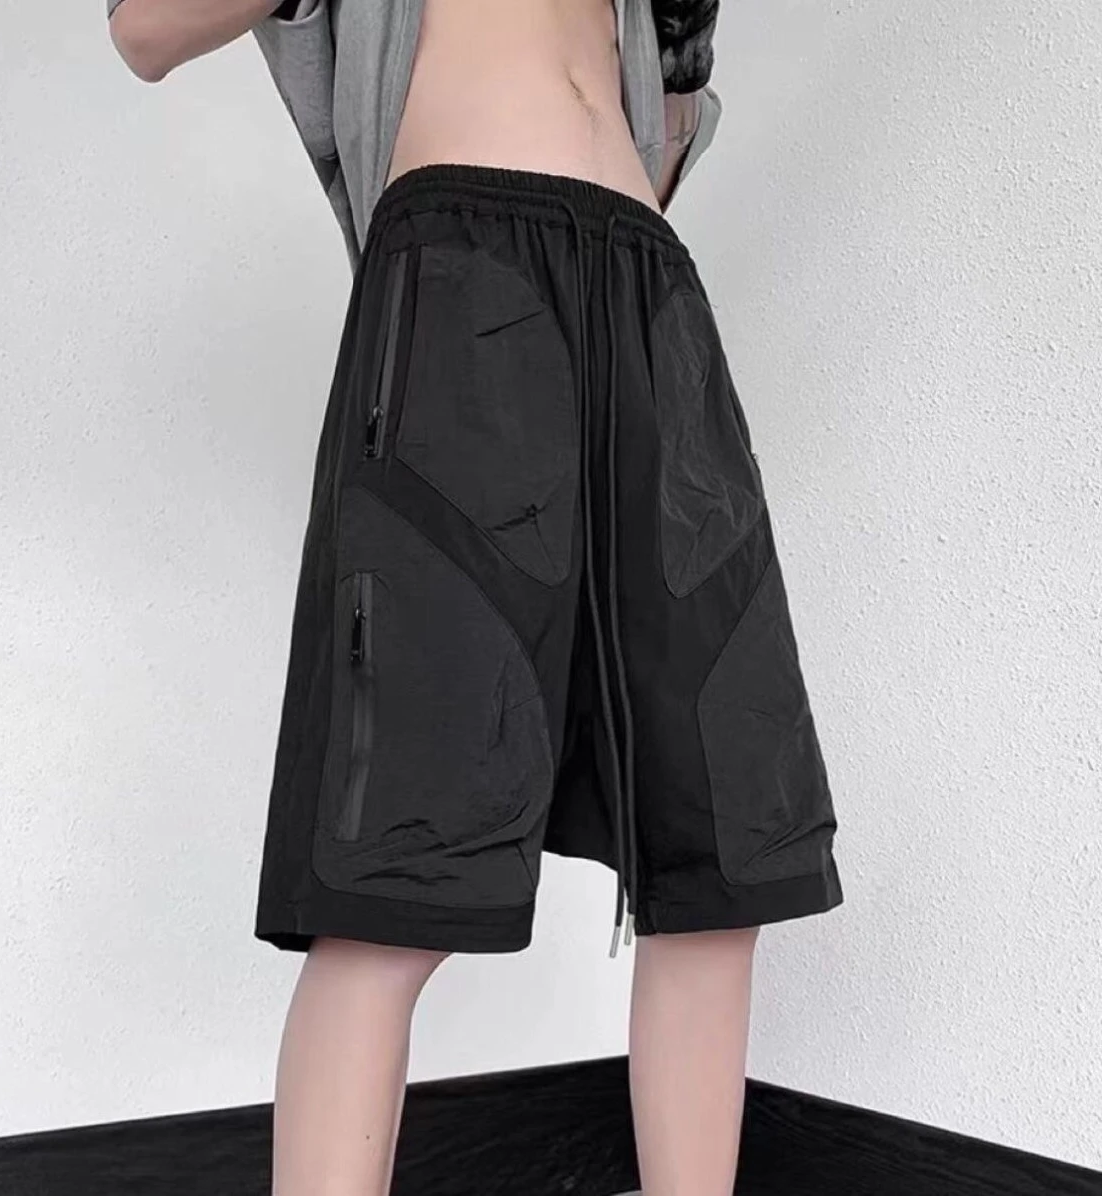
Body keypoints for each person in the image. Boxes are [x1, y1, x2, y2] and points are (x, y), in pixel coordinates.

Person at [107, 2, 844, 1193]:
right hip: (461, 267)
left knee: (721, 855)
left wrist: (673, 61)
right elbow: (143, 29)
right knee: (392, 879)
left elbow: (661, 127)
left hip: (645, 288)